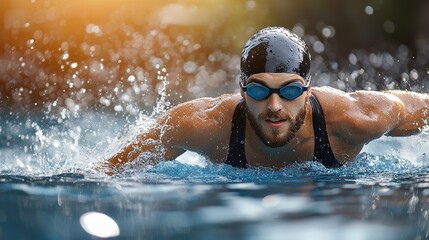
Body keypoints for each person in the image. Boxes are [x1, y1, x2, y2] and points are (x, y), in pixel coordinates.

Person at [103, 26, 429, 173]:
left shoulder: (355, 119)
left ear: (308, 89)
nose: (274, 106)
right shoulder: (201, 124)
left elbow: (416, 108)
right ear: (242, 90)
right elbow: (105, 171)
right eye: (259, 91)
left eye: (288, 91)